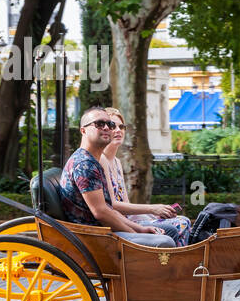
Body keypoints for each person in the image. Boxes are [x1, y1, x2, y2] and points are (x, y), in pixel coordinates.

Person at [59, 106, 174, 248]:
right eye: (99, 124)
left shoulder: (92, 161)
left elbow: (109, 210)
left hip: (103, 231)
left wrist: (140, 229)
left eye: (110, 124)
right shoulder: (84, 164)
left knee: (169, 231)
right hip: (93, 237)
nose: (107, 128)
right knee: (165, 241)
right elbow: (101, 213)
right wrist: (136, 233)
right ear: (83, 130)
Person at [101, 107, 192, 245]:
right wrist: (152, 208)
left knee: (183, 220)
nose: (118, 130)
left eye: (122, 126)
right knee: (180, 224)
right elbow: (113, 205)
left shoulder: (117, 162)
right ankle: (175, 262)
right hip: (119, 223)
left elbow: (125, 204)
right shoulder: (101, 160)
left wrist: (153, 214)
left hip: (129, 218)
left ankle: (179, 260)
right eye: (113, 126)